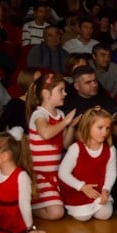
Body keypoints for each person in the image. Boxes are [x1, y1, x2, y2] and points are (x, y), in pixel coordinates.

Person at [27, 72, 80, 221]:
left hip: (55, 174)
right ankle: (26, 205)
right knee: (57, 213)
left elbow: (65, 144)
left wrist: (70, 127)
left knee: (70, 205)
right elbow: (45, 133)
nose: (65, 93)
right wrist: (64, 123)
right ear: (46, 93)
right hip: (40, 175)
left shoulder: (60, 114)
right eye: (61, 90)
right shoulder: (39, 115)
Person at [58, 107, 117, 221]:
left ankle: (96, 205)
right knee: (83, 217)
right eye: (100, 128)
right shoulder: (76, 148)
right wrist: (82, 187)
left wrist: (106, 190)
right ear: (87, 127)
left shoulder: (111, 149)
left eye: (107, 128)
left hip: (97, 192)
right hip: (78, 191)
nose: (104, 132)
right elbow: (63, 173)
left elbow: (111, 172)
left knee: (105, 214)